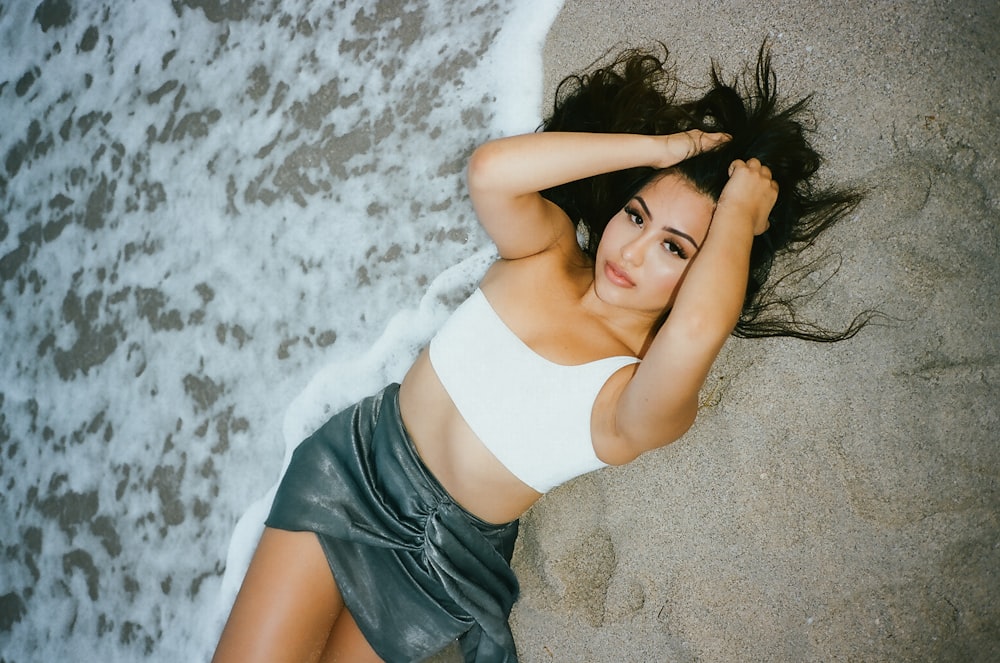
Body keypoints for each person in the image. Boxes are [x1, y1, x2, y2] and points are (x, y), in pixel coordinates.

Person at [213, 44, 867, 663]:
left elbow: (697, 330)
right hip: (353, 469)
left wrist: (739, 220)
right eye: (636, 215)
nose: (633, 250)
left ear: (708, 273)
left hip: (436, 558)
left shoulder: (634, 398)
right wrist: (664, 148)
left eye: (675, 248)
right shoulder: (548, 251)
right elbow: (491, 171)